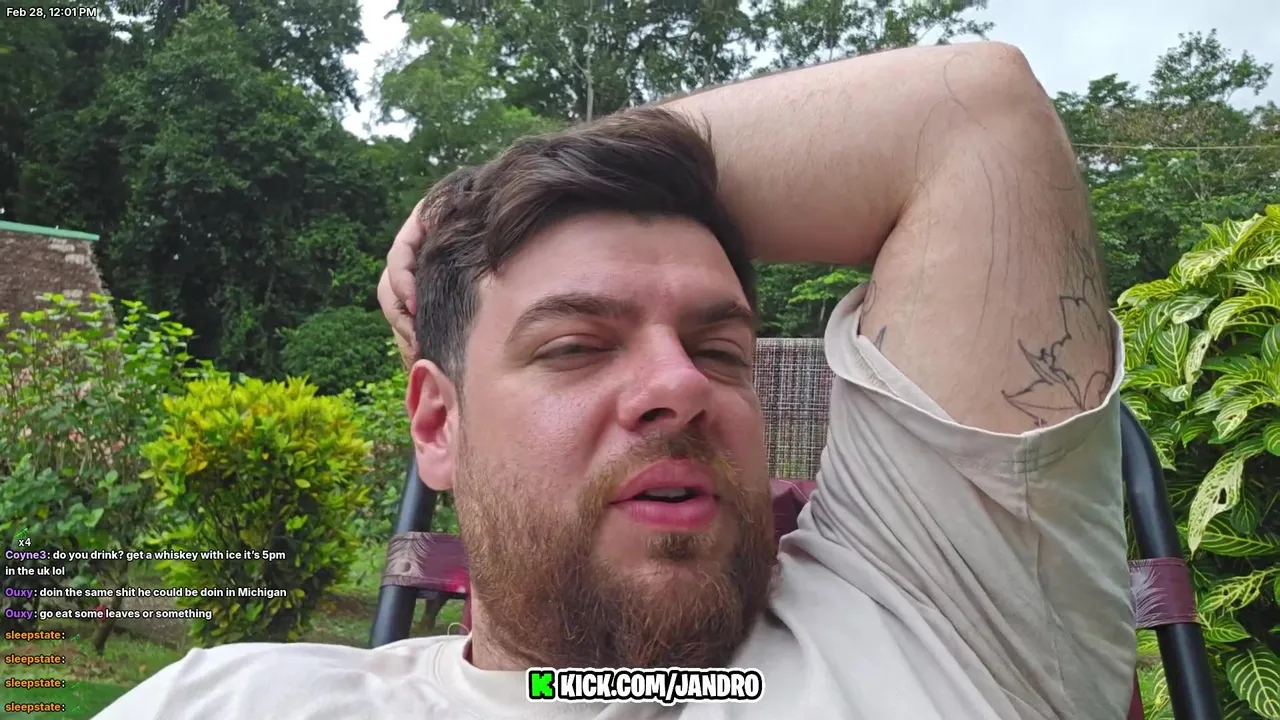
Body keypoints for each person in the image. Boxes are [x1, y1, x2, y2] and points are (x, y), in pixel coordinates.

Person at [95, 41, 1133, 719]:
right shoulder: (231, 701)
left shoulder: (939, 612)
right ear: (439, 425)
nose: (679, 384)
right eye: (575, 346)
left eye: (719, 349)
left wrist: (476, 194)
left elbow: (972, 121)